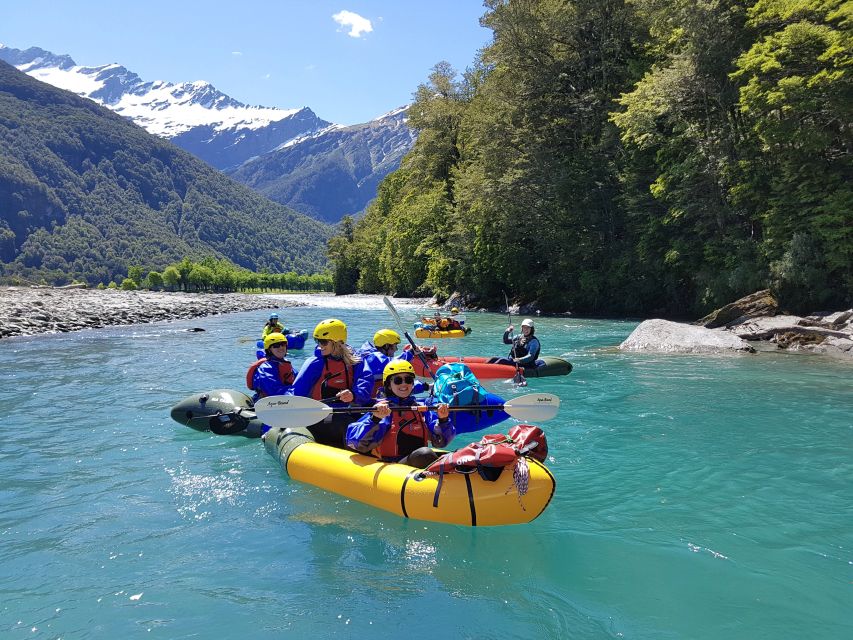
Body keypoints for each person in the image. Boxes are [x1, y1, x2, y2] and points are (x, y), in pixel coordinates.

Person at [346, 361, 455, 467]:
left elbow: (440, 442)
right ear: (389, 385)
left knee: (455, 455)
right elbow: (356, 443)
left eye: (408, 380)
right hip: (393, 466)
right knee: (424, 454)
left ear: (412, 383)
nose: (404, 384)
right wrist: (375, 419)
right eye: (398, 380)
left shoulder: (421, 408)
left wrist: (443, 420)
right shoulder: (383, 410)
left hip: (418, 460)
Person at [287, 318, 372, 447]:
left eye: (323, 342)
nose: (319, 345)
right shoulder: (315, 363)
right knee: (345, 423)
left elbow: (365, 382)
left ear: (337, 342)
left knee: (370, 420)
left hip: (348, 412)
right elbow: (297, 394)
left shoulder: (356, 361)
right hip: (320, 416)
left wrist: (354, 395)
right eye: (317, 341)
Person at [357, 329, 429, 398]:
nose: (396, 349)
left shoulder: (366, 354)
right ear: (386, 346)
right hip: (370, 402)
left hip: (373, 396)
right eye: (395, 345)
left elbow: (398, 384)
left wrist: (425, 386)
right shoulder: (372, 358)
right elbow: (393, 363)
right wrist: (411, 353)